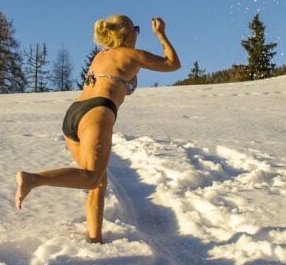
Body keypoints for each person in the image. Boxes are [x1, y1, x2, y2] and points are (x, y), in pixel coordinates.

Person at [15, 15, 181, 242]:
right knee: (92, 178)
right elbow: (173, 64)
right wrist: (160, 34)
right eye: (137, 30)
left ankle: (95, 238)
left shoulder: (100, 56)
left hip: (74, 114)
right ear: (128, 34)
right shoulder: (131, 54)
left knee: (98, 180)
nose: (137, 34)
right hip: (98, 113)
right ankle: (33, 179)